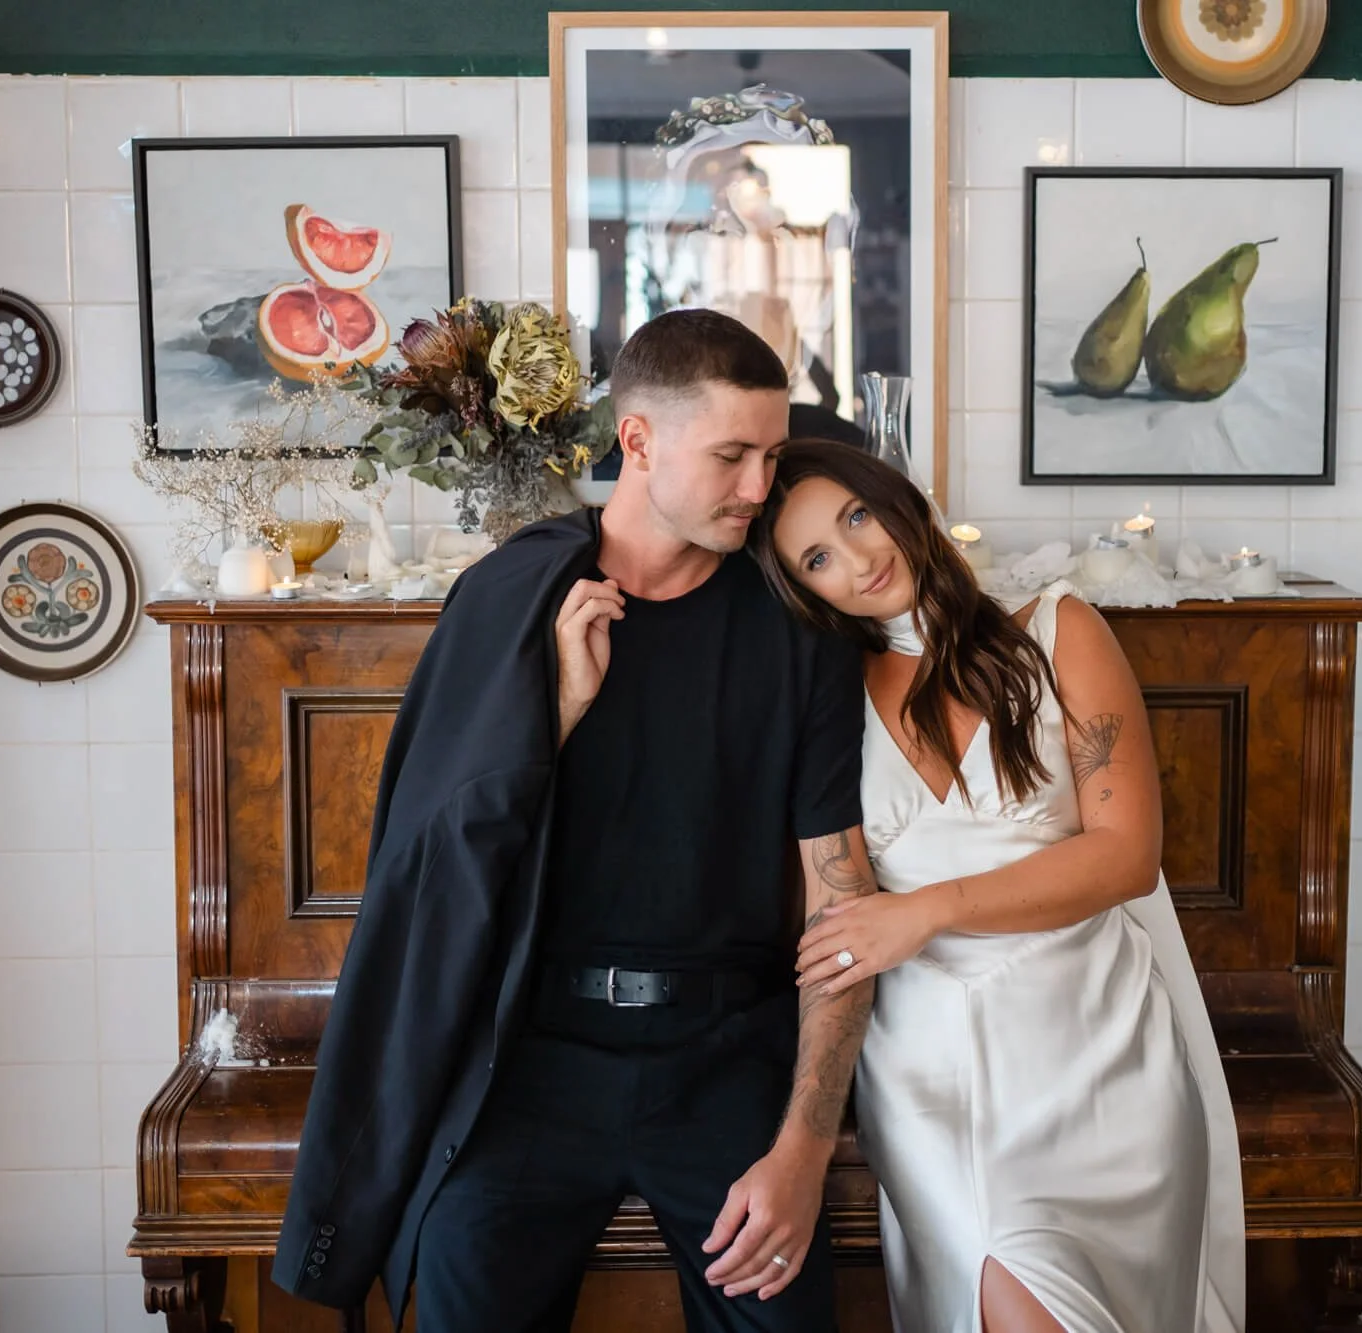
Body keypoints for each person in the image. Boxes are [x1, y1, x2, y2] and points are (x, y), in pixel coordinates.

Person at [273, 310, 878, 1332]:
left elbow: (839, 901)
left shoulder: (799, 632)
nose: (757, 490)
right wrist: (546, 718)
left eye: (770, 457)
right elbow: (427, 864)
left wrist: (803, 1149)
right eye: (731, 455)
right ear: (636, 439)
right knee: (455, 1280)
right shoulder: (511, 595)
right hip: (532, 1058)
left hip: (722, 1058)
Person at [751, 441, 1245, 1333]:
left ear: (898, 501)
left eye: (857, 516)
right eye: (817, 557)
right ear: (803, 591)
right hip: (930, 1073)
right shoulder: (830, 701)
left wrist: (924, 910)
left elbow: (1127, 855)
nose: (858, 560)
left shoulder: (1059, 631)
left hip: (1101, 1054)